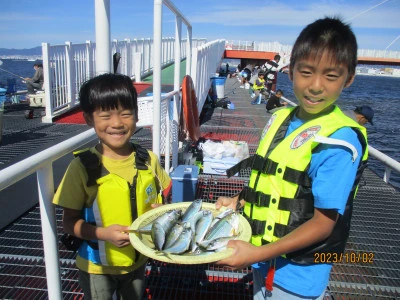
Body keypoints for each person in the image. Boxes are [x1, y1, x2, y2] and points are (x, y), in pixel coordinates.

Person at [215, 17, 368, 299]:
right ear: (290, 70)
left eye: (331, 76)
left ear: (349, 79)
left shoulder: (338, 142)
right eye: (306, 72)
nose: (316, 86)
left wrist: (256, 253)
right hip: (264, 261)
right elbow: (275, 181)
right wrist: (238, 201)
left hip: (296, 277)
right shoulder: (281, 118)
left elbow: (324, 224)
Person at [53, 73, 172, 299]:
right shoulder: (81, 168)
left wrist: (161, 211)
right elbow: (69, 223)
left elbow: (162, 197)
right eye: (105, 116)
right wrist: (102, 234)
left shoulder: (148, 160)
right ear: (89, 119)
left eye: (126, 114)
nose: (117, 124)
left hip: (138, 260)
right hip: (97, 268)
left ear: (136, 115)